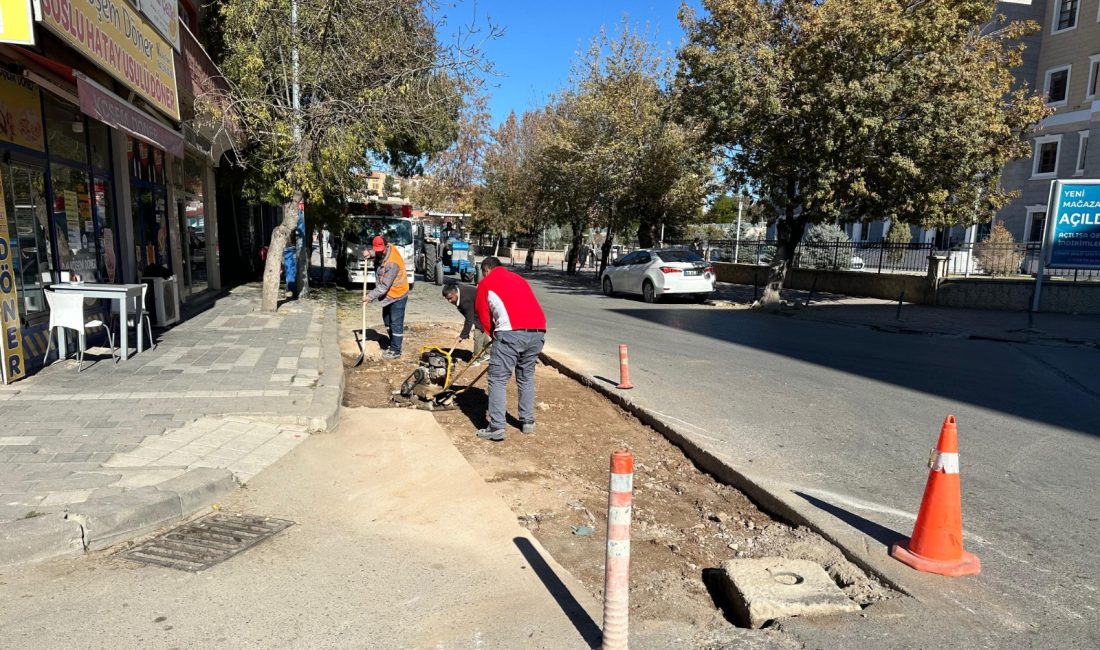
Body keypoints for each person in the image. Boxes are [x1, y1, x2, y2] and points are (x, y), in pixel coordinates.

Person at [474, 256, 546, 442]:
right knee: (526, 376)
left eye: (483, 273)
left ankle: (497, 427)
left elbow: (483, 315)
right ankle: (527, 421)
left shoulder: (486, 283)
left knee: (498, 378)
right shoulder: (519, 279)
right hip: (538, 331)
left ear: (487, 270)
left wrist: (494, 335)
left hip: (511, 333)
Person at [362, 235, 409, 360]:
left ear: (386, 246)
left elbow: (383, 287)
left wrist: (369, 297)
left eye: (381, 249)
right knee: (387, 320)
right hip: (389, 295)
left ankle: (396, 350)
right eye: (377, 250)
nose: (379, 252)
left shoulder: (392, 263)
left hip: (398, 294)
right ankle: (392, 342)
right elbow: (377, 252)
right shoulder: (384, 250)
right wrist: (370, 253)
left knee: (396, 323)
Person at [442, 283, 490, 364]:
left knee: (478, 335)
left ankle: (476, 359)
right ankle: (489, 352)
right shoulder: (458, 293)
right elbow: (469, 315)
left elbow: (469, 319)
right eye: (447, 299)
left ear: (455, 293)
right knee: (481, 329)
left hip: (485, 309)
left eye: (450, 298)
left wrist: (463, 335)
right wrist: (465, 333)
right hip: (477, 309)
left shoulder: (465, 300)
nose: (449, 301)